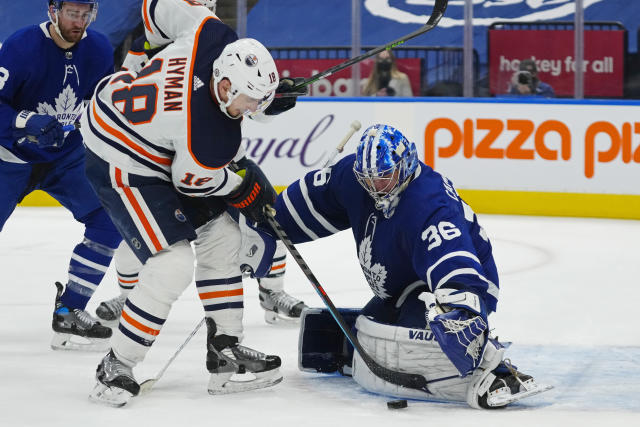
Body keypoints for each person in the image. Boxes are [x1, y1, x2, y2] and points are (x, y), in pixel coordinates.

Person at [80, 0, 304, 407]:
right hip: (117, 155)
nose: (253, 110)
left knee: (222, 236)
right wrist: (240, 189)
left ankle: (225, 351)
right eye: (250, 101)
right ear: (224, 85)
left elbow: (154, 8)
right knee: (173, 261)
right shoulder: (207, 137)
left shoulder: (209, 32)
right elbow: (194, 180)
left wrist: (268, 100)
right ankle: (117, 362)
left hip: (145, 127)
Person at [272, 124, 552, 409]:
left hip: (463, 282)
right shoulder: (356, 178)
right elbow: (316, 196)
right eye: (368, 179)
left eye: (384, 177)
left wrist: (461, 309)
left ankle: (496, 371)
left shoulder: (429, 202)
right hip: (404, 282)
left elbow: (453, 256)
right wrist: (269, 216)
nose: (375, 187)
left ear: (405, 165)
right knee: (370, 328)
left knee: (415, 337)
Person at [0, 0, 120, 351]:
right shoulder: (21, 46)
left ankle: (70, 309)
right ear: (53, 11)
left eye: (85, 14)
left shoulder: (97, 48)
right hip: (9, 158)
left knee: (107, 220)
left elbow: (102, 105)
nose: (78, 21)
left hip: (63, 158)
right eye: (72, 13)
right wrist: (23, 121)